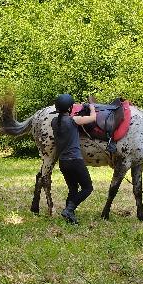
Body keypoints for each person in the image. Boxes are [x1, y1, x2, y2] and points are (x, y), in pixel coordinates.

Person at [53, 94, 97, 224]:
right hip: (75, 161)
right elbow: (93, 118)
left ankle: (69, 216)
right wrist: (92, 107)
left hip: (63, 162)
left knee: (73, 189)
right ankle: (69, 209)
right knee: (87, 188)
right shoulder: (74, 120)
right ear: (70, 107)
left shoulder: (54, 122)